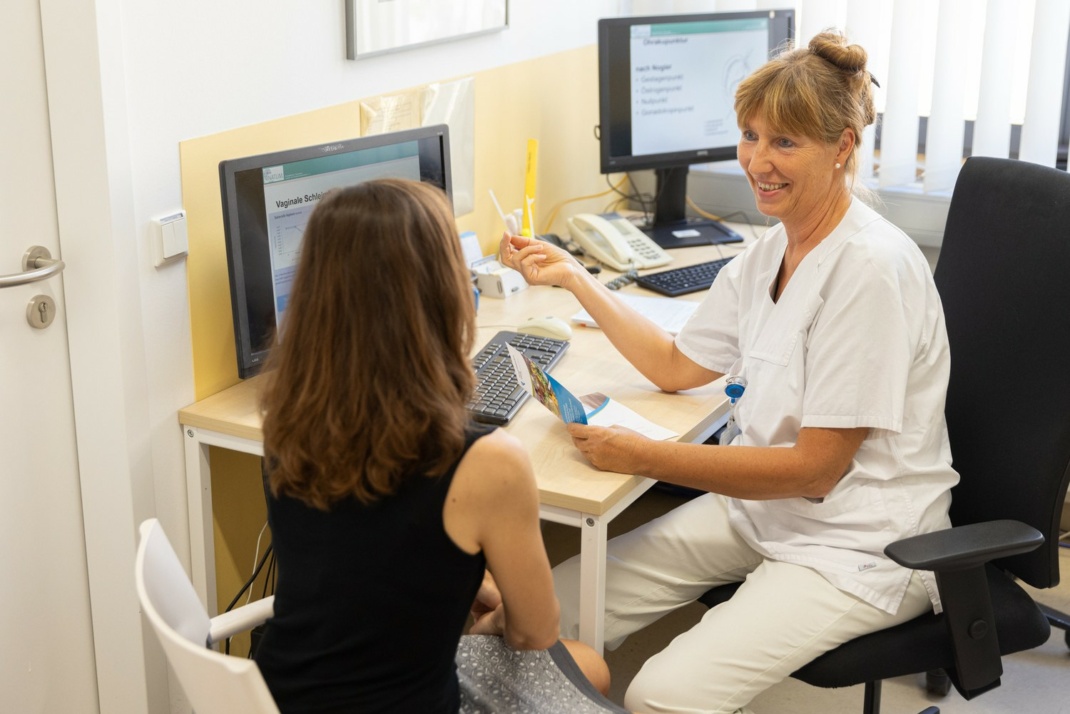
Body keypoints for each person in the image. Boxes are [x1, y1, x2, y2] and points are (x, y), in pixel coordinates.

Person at [498, 32, 959, 714]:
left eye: (785, 143)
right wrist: (573, 279)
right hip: (762, 514)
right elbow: (676, 364)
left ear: (842, 148)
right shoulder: (772, 248)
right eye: (750, 136)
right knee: (537, 611)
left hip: (857, 544)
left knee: (659, 695)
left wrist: (646, 456)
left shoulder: (870, 273)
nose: (758, 162)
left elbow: (815, 470)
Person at [255, 178, 628, 713]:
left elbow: (362, 556)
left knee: (587, 668)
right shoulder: (489, 460)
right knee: (583, 669)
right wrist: (492, 619)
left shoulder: (285, 417)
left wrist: (460, 582)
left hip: (283, 694)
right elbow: (533, 631)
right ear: (444, 291)